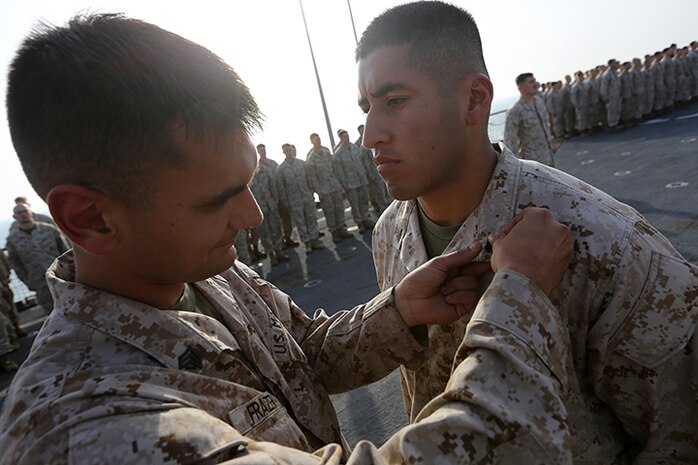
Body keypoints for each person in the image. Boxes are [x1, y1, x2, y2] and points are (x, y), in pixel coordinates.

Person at [0, 13, 576, 464]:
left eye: (245, 184)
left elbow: (303, 356)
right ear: (90, 219)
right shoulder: (80, 427)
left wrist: (398, 314)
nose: (251, 217)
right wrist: (519, 298)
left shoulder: (205, 271)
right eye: (217, 199)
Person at [357, 2, 698, 463]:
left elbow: (677, 436)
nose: (370, 134)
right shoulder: (389, 233)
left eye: (395, 101)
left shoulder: (602, 239)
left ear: (476, 101)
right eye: (366, 108)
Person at [5, 203, 70, 312]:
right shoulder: (12, 240)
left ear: (32, 213)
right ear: (14, 217)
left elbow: (66, 252)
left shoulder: (50, 230)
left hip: (62, 279)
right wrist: (28, 282)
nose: (23, 215)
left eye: (25, 211)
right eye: (19, 213)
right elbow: (16, 264)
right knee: (53, 315)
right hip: (40, 285)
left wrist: (71, 274)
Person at [276, 143, 325, 253]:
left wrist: (314, 192)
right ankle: (307, 243)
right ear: (283, 152)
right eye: (286, 150)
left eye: (290, 150)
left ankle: (314, 240)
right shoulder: (281, 169)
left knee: (311, 218)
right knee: (300, 222)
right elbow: (281, 188)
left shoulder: (302, 164)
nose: (289, 152)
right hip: (294, 200)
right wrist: (286, 202)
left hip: (307, 195)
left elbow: (310, 178)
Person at [305, 133, 352, 243]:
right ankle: (334, 232)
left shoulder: (326, 152)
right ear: (312, 142)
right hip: (324, 189)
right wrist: (318, 192)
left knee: (339, 208)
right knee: (329, 211)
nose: (318, 141)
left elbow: (335, 168)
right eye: (316, 140)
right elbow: (312, 177)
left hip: (334, 185)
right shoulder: (311, 158)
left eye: (319, 138)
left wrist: (340, 183)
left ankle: (341, 229)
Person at [248, 146, 290, 266]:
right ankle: (271, 255)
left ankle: (279, 251)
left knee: (276, 229)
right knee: (263, 233)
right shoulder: (247, 175)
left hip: (271, 206)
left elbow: (273, 186)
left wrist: (274, 201)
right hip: (259, 209)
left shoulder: (265, 170)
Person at [503, 72, 555, 166]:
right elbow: (510, 142)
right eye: (531, 82)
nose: (535, 84)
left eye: (535, 81)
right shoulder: (515, 111)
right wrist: (516, 165)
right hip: (532, 163)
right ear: (521, 87)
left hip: (548, 156)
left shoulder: (539, 102)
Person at [256, 144, 298, 249]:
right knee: (272, 223)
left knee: (286, 218)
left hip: (279, 195)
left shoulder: (273, 163)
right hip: (268, 198)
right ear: (258, 152)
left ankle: (288, 237)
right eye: (260, 150)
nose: (263, 152)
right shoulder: (258, 167)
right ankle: (277, 244)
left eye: (263, 149)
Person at [333, 129, 374, 233]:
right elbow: (339, 171)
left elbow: (362, 162)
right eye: (344, 136)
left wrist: (365, 176)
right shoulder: (338, 153)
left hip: (361, 180)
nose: (347, 138)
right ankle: (359, 222)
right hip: (350, 183)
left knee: (364, 200)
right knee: (354, 203)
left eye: (347, 135)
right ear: (341, 138)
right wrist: (344, 184)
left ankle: (365, 218)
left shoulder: (355, 148)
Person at [356, 124, 391, 214]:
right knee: (380, 194)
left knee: (387, 191)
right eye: (361, 130)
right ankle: (384, 211)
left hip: (382, 171)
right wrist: (370, 175)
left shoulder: (375, 140)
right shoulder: (363, 146)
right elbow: (365, 163)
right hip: (374, 174)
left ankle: (389, 208)